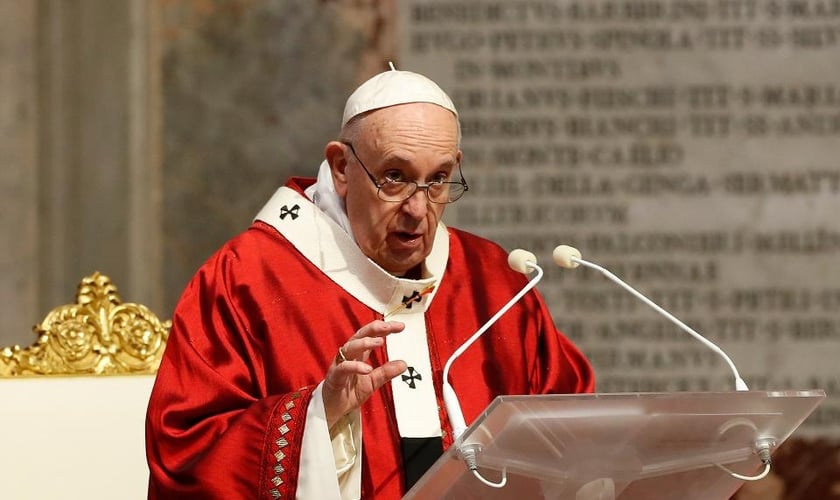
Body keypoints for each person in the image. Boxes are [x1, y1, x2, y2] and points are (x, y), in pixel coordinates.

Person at [145, 67, 594, 499]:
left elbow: (575, 430)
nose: (419, 210)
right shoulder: (247, 279)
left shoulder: (492, 281)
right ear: (341, 167)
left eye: (438, 180)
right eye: (395, 177)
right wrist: (320, 414)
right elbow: (186, 455)